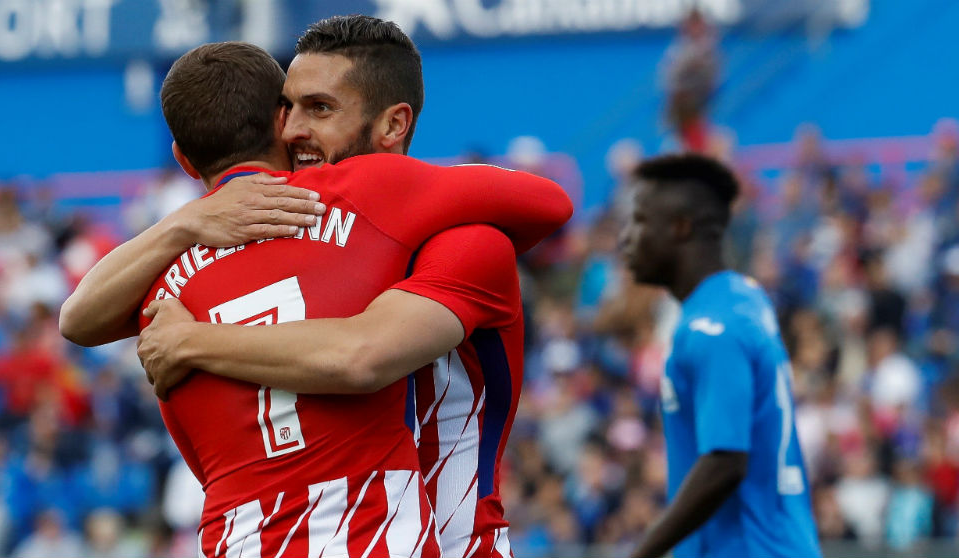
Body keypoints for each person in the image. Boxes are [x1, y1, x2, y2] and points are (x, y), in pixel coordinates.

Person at [61, 19, 571, 558]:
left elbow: (360, 356)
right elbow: (77, 321)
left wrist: (191, 341)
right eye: (289, 108)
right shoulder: (241, 230)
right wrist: (186, 222)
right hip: (381, 534)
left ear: (394, 125)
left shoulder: (467, 243)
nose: (292, 131)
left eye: (319, 109)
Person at [619, 153, 821, 558]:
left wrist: (641, 553)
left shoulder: (713, 330)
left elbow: (726, 461)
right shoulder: (743, 297)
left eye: (640, 221)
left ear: (680, 227)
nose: (627, 237)